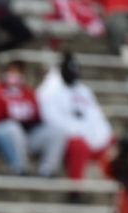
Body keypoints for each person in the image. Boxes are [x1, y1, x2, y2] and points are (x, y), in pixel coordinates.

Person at [36, 53, 113, 187]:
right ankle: (75, 189)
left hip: (89, 137)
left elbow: (97, 118)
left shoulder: (83, 91)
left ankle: (113, 189)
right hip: (67, 139)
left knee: (112, 143)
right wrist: (80, 132)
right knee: (78, 145)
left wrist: (99, 136)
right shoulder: (50, 90)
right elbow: (51, 119)